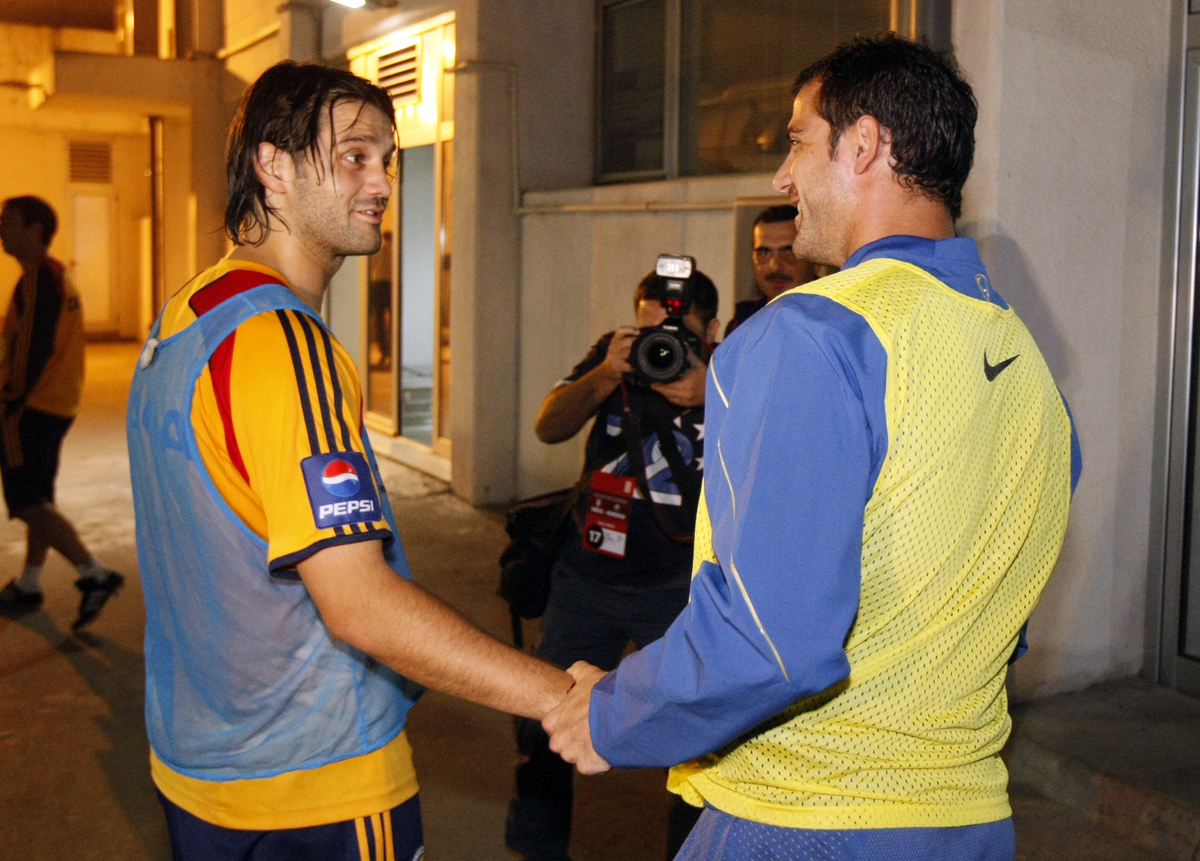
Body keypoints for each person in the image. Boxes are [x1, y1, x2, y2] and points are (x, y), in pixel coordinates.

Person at [544, 35, 1082, 861]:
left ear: (863, 144)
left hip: (805, 818)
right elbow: (992, 621)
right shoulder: (1030, 370)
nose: (781, 178)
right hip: (968, 821)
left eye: (796, 142)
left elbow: (769, 634)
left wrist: (610, 711)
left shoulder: (813, 334)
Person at [125, 61, 572, 861]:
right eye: (356, 155)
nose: (383, 182)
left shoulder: (186, 316)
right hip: (316, 779)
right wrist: (559, 695)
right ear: (274, 166)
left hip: (200, 768)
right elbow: (359, 603)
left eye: (388, 159)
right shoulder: (283, 342)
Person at [505, 268, 720, 861]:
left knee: (700, 738)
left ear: (714, 329)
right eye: (650, 332)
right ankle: (538, 849)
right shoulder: (611, 356)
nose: (662, 348)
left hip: (680, 591)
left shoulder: (732, 367)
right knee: (545, 722)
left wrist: (716, 389)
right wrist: (606, 373)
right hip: (588, 581)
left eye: (678, 333)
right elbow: (549, 426)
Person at [0, 196, 123, 631]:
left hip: (31, 407)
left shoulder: (37, 280)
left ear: (34, 230)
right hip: (56, 403)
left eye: (9, 222)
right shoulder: (57, 277)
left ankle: (94, 573)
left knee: (28, 502)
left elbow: (31, 351)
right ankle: (30, 582)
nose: (1, 229)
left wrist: (8, 397)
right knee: (40, 497)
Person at [724, 204, 817, 337]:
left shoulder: (840, 317)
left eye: (789, 252)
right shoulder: (744, 323)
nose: (775, 266)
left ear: (815, 260)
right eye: (764, 252)